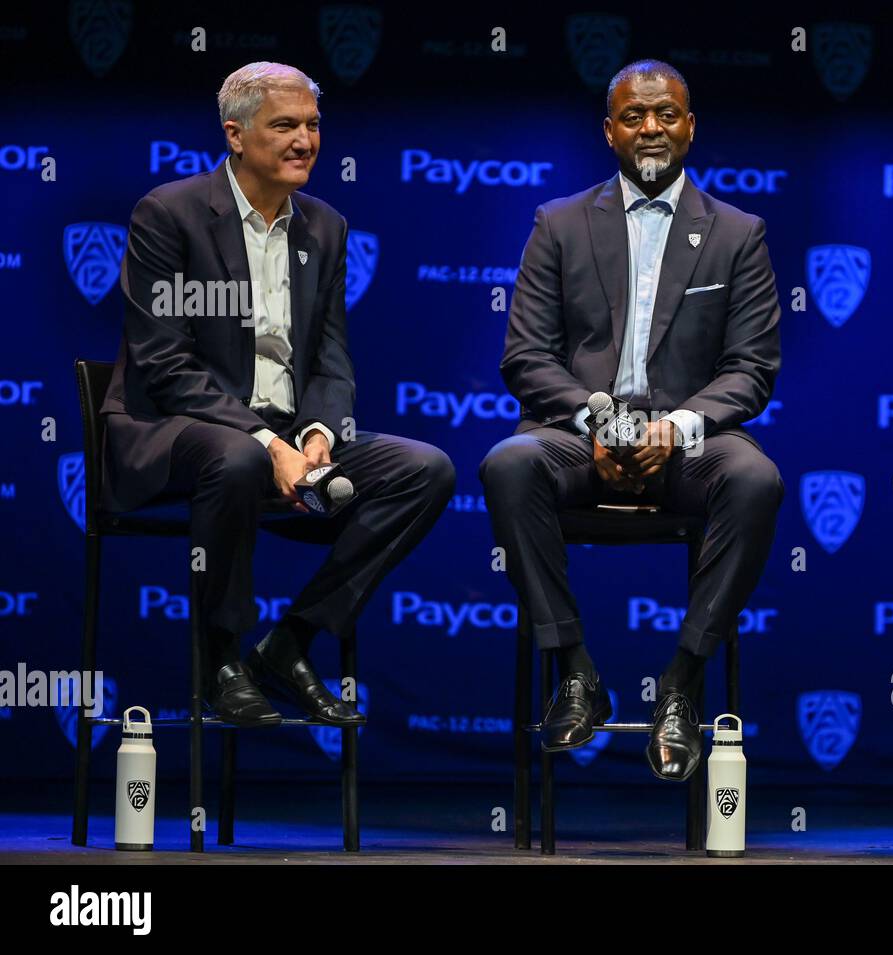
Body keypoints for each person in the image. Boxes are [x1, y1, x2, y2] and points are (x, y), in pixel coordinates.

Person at [102, 62, 455, 727]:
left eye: (313, 125)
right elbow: (163, 362)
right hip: (176, 431)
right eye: (284, 125)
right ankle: (222, 658)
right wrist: (269, 445)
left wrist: (318, 436)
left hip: (288, 437)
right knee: (233, 458)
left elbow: (330, 358)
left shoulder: (324, 227)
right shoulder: (169, 213)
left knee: (424, 469)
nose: (305, 140)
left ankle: (291, 641)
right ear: (235, 135)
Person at [480, 60, 783, 781]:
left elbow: (751, 369)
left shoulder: (737, 233)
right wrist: (598, 423)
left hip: (682, 443)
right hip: (583, 437)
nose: (652, 127)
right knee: (507, 463)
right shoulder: (557, 224)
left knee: (755, 477)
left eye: (667, 114)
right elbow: (526, 356)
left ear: (690, 127)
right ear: (610, 131)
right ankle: (576, 672)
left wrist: (673, 427)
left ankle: (681, 681)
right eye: (635, 116)